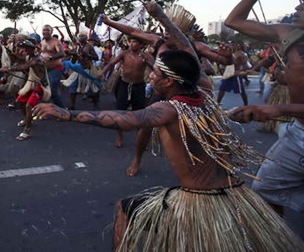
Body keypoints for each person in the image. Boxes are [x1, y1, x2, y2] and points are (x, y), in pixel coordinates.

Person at [33, 49, 304, 251]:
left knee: (124, 209)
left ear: (170, 81)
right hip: (236, 194)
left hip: (202, 200)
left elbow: (127, 120)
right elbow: (193, 63)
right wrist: (162, 18)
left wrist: (65, 114)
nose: (152, 74)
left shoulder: (169, 109)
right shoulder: (205, 96)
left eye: (158, 73)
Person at [99, 3, 233, 176]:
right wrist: (109, 22)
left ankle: (215, 163)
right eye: (165, 29)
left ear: (181, 32)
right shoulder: (158, 42)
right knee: (146, 124)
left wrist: (227, 54)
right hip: (164, 91)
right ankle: (137, 159)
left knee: (205, 131)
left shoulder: (195, 47)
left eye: (170, 30)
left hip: (193, 94)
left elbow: (225, 61)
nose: (165, 33)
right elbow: (133, 32)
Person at [224, 0, 304, 216]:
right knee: (264, 191)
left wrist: (277, 109)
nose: (297, 6)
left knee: (264, 190)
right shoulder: (288, 32)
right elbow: (234, 21)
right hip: (299, 131)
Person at [97, 36, 153, 147]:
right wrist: (102, 72)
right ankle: (119, 137)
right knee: (120, 112)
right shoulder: (124, 53)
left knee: (139, 114)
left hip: (139, 86)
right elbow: (111, 63)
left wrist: (148, 63)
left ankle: (140, 138)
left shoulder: (146, 56)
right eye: (130, 42)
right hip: (124, 85)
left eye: (134, 42)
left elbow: (155, 68)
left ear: (141, 45)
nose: (131, 44)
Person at [2, 39, 50, 141]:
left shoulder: (37, 59)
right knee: (19, 101)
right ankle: (27, 119)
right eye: (24, 49)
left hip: (40, 86)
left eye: (27, 49)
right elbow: (25, 67)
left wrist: (9, 68)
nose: (25, 51)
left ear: (32, 49)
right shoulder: (29, 57)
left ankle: (27, 129)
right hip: (31, 84)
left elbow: (24, 66)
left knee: (29, 105)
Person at [40, 25, 66, 108]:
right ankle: (48, 109)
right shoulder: (42, 42)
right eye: (44, 30)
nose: (45, 32)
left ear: (51, 32)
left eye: (48, 30)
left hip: (56, 68)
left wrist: (51, 58)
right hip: (45, 69)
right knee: (44, 89)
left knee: (52, 89)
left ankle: (62, 110)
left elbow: (62, 53)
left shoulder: (55, 41)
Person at [217, 41, 250, 106]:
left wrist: (240, 71)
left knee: (241, 91)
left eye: (234, 45)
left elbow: (245, 64)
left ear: (239, 46)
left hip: (236, 73)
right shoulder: (230, 53)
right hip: (228, 72)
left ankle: (246, 105)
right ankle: (217, 103)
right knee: (222, 88)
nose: (233, 46)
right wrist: (221, 68)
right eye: (231, 45)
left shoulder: (241, 54)